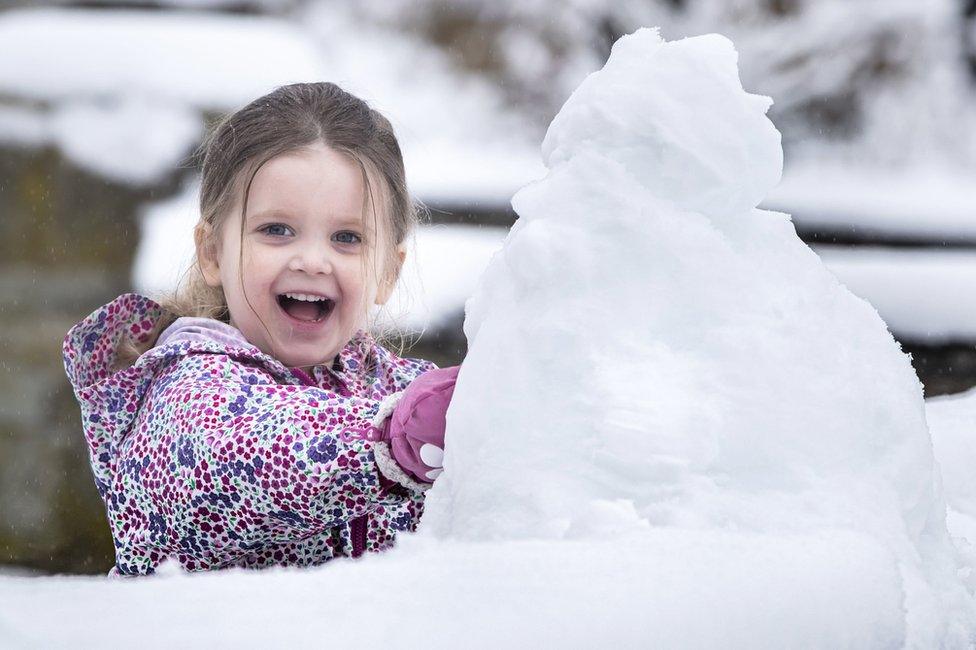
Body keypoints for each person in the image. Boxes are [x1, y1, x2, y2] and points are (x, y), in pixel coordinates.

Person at [61, 82, 460, 576]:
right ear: (212, 252)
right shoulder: (183, 390)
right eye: (277, 230)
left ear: (387, 273)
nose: (312, 260)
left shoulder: (401, 391)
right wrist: (392, 440)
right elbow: (240, 450)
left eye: (347, 238)